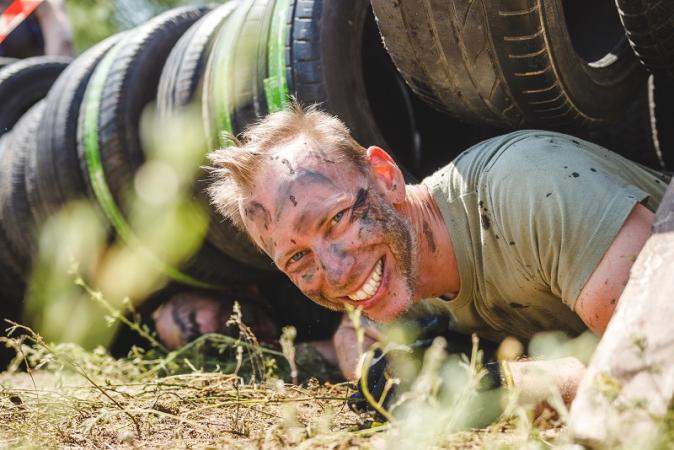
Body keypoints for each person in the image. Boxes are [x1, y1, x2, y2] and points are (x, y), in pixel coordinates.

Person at [205, 103, 668, 404]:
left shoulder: (526, 192)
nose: (338, 271)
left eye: (336, 220)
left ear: (386, 177)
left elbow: (654, 366)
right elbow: (356, 332)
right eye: (298, 260)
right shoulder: (396, 269)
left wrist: (492, 384)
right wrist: (375, 366)